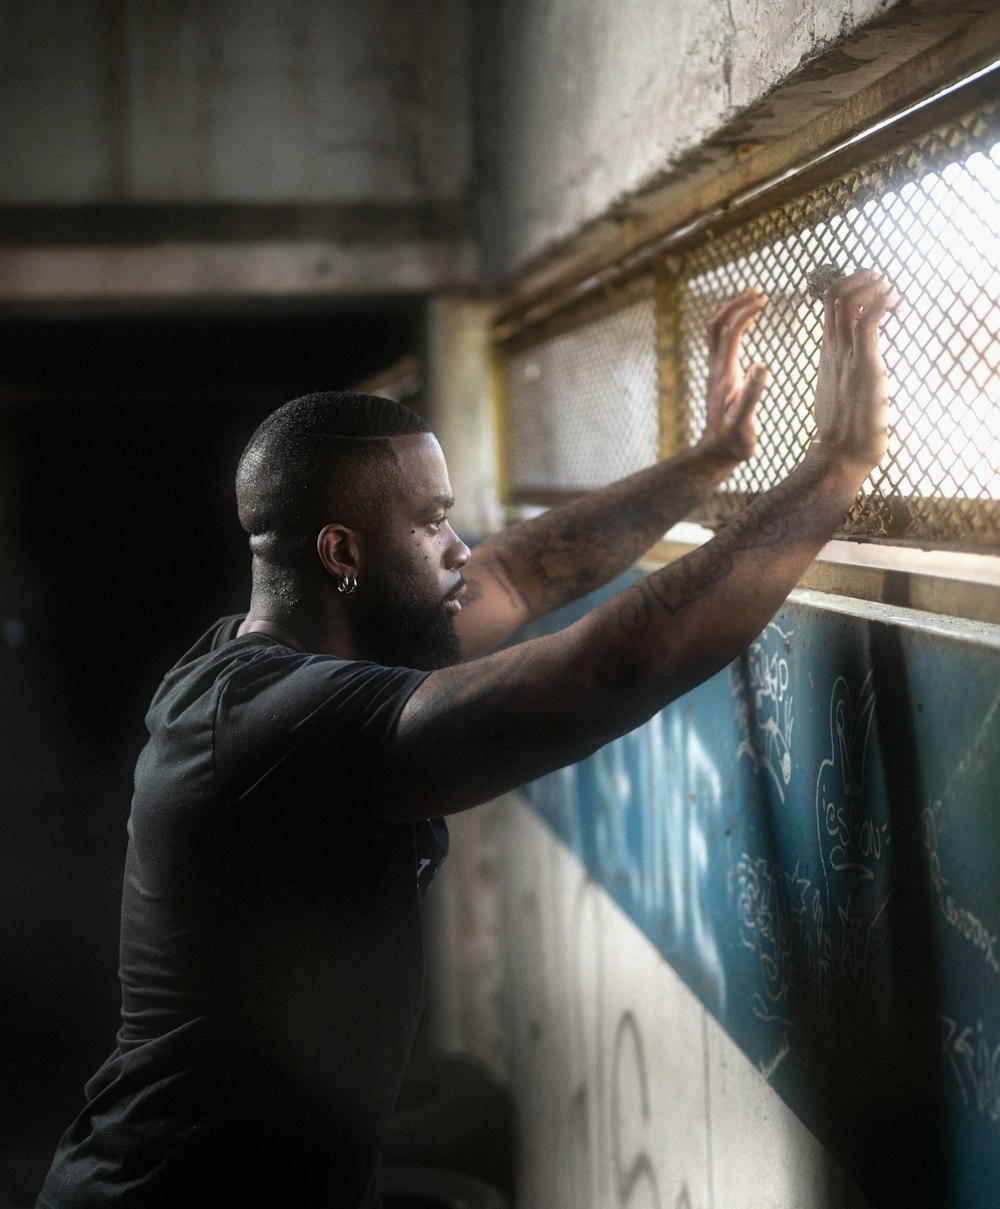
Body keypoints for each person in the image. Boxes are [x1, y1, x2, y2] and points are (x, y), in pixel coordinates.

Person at [37, 270, 895, 1208]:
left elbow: (521, 575)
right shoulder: (269, 724)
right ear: (342, 554)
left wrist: (711, 459)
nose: (461, 548)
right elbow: (592, 676)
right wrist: (833, 469)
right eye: (434, 521)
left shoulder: (284, 655)